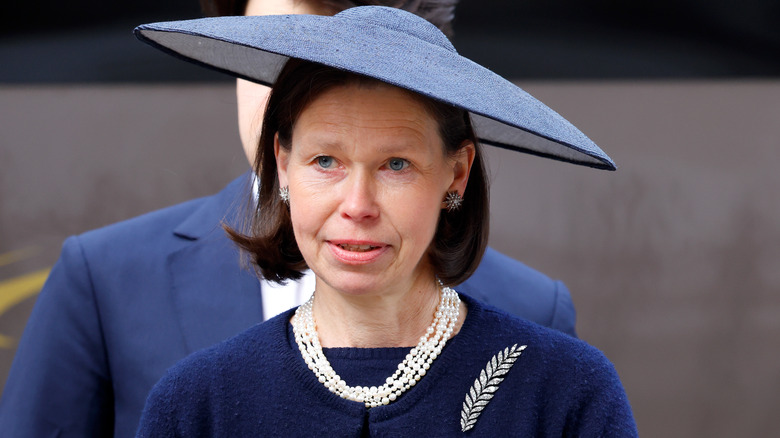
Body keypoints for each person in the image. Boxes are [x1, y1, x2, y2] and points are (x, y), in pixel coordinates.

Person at [0, 1, 578, 437]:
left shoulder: (540, 330)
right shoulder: (108, 279)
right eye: (287, 50)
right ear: (284, 154)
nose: (358, 203)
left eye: (395, 163)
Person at [133, 6, 635, 436]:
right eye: (325, 161)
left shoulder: (563, 392)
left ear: (456, 175)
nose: (357, 204)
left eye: (396, 165)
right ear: (283, 164)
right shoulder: (198, 403)